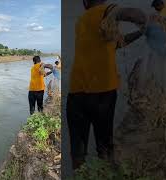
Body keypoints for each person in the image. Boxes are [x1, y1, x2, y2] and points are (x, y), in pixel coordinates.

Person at [66, 0, 148, 170]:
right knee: (105, 149)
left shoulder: (81, 21)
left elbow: (117, 43)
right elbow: (135, 15)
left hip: (76, 94)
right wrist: (149, 22)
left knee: (78, 152)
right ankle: (106, 174)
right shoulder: (105, 11)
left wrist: (140, 33)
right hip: (102, 94)